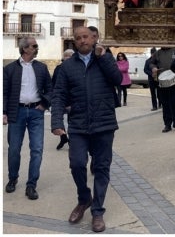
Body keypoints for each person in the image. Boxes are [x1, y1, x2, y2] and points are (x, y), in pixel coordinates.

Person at [51, 26, 123, 232]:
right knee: (76, 164)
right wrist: (57, 122)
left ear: (94, 38)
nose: (82, 41)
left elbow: (118, 80)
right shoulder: (67, 67)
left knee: (101, 168)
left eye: (86, 37)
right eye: (78, 38)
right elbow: (58, 96)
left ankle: (98, 211)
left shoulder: (104, 60)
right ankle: (84, 198)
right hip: (79, 124)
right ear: (75, 42)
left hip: (104, 123)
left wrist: (105, 58)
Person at [3, 36, 53, 201]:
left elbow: (50, 89)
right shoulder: (9, 69)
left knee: (37, 149)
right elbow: (4, 92)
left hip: (36, 113)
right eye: (34, 45)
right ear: (25, 49)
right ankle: (13, 178)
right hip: (16, 112)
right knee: (14, 149)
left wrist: (45, 105)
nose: (36, 48)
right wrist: (4, 112)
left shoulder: (41, 68)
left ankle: (31, 184)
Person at [151, 47, 175, 133]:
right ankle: (167, 124)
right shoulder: (158, 53)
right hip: (163, 81)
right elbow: (152, 63)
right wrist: (153, 68)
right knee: (165, 103)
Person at [52, 49, 75, 150]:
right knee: (59, 120)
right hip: (62, 100)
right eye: (68, 56)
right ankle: (64, 137)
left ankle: (72, 140)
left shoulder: (76, 68)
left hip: (72, 100)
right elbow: (55, 85)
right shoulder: (59, 68)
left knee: (72, 121)